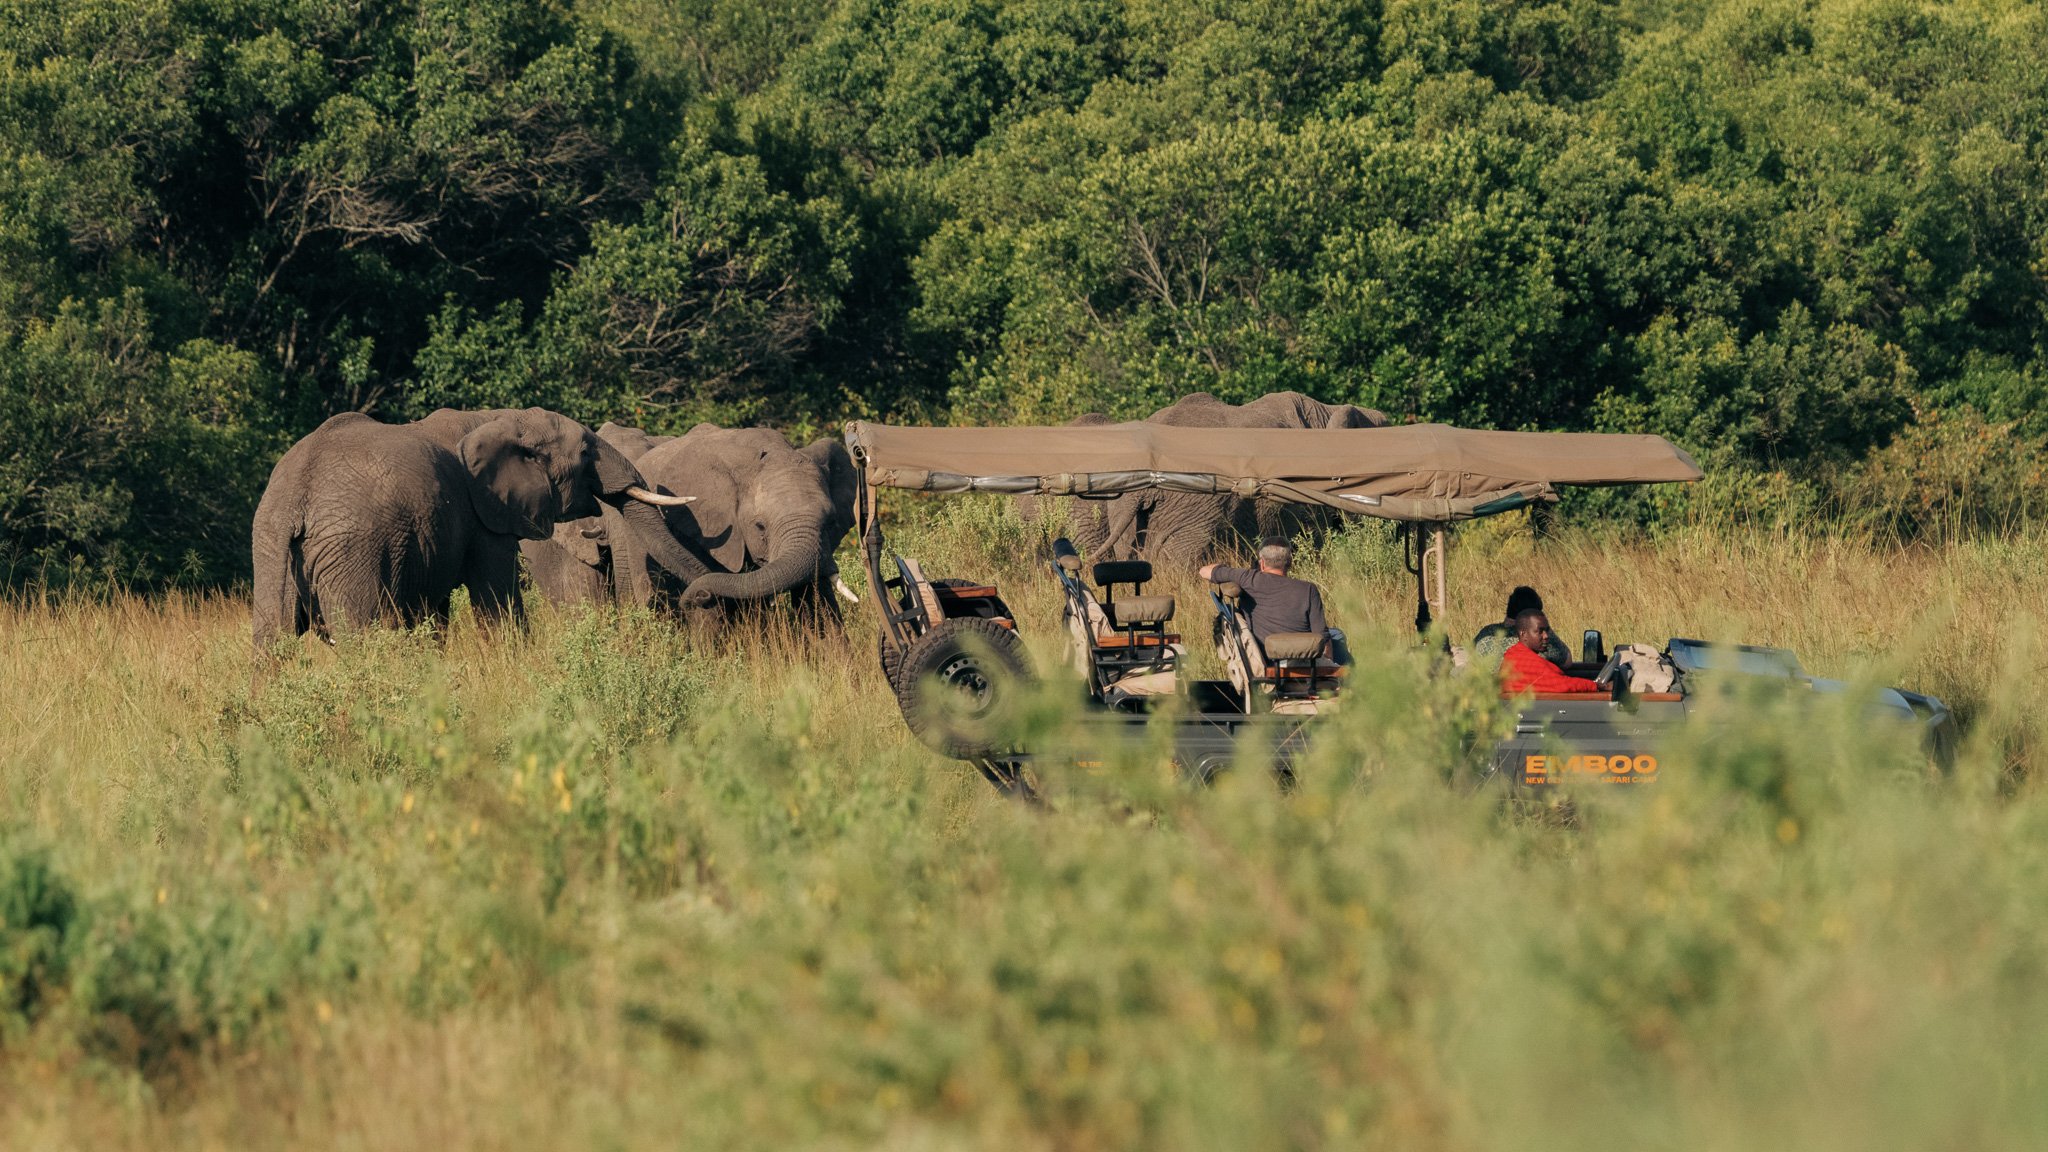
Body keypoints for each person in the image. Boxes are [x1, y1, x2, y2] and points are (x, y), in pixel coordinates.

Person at [1199, 539, 1349, 663]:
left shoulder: (1248, 578)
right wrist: (1327, 668)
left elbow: (1204, 571)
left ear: (1262, 563)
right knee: (1336, 635)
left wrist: (1230, 572)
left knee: (1336, 633)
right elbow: (1323, 638)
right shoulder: (1308, 589)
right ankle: (1351, 689)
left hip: (1267, 659)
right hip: (1304, 662)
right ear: (1290, 562)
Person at [1498, 611, 1602, 694]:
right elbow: (1561, 685)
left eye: (1546, 630)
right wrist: (1598, 686)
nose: (1546, 636)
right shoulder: (1522, 661)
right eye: (1540, 631)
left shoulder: (1516, 655)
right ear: (1523, 634)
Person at [1473, 585, 1569, 670]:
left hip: (1485, 689)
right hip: (1526, 689)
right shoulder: (1535, 639)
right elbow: (1567, 662)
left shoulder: (1485, 633)